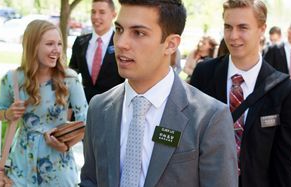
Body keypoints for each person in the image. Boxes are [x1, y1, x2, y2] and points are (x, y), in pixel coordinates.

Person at [80, 0, 238, 186]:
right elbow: (90, 180)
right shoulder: (99, 107)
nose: (121, 43)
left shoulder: (209, 118)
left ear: (171, 44)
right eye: (119, 29)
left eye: (138, 33)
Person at [190, 0, 291, 186]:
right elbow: (190, 140)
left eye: (243, 27)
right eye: (228, 27)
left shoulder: (284, 89)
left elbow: (284, 161)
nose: (233, 36)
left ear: (262, 29)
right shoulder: (204, 74)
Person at [0, 20, 88, 186]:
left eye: (59, 44)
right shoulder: (13, 79)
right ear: (33, 46)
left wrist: (66, 145)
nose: (57, 50)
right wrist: (7, 114)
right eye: (50, 44)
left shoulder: (70, 79)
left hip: (58, 166)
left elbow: (86, 121)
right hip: (21, 164)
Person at [69, 0, 125, 103]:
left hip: (112, 108)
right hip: (84, 108)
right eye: (93, 12)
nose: (96, 16)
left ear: (114, 15)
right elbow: (71, 75)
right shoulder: (80, 42)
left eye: (102, 12)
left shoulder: (121, 43)